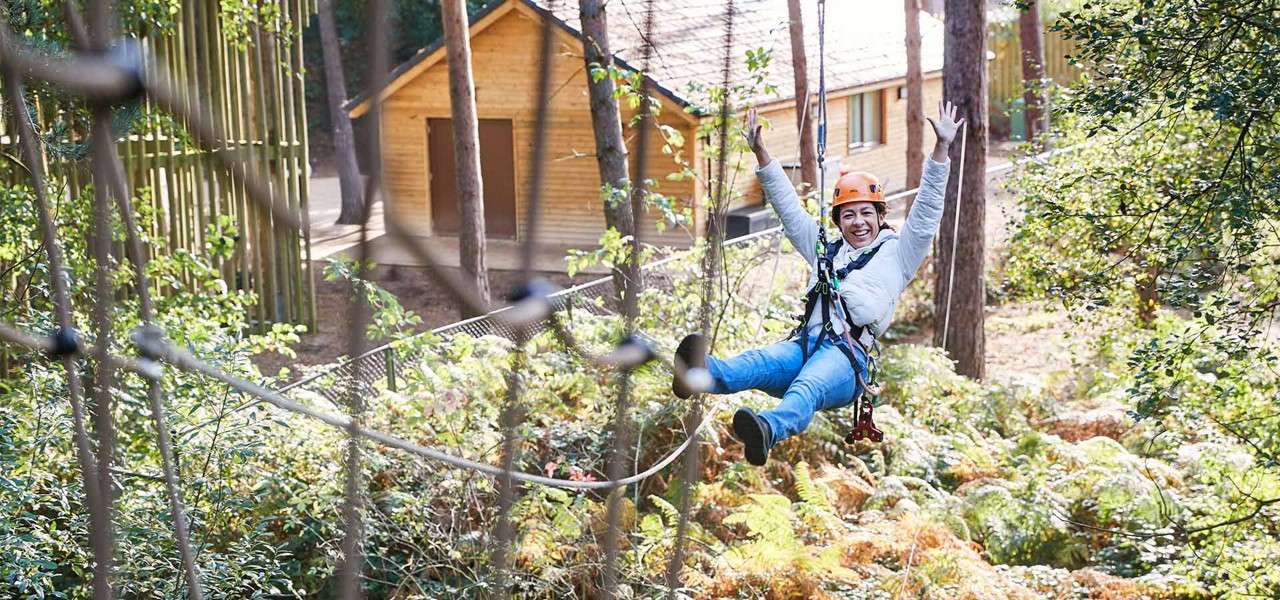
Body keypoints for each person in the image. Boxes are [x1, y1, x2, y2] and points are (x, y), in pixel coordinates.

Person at [672, 101, 963, 466]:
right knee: (757, 362)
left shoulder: (900, 254)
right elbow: (790, 211)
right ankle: (697, 375)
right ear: (839, 221)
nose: (858, 223)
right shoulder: (825, 249)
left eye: (866, 213)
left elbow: (926, 212)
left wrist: (942, 150)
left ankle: (767, 430)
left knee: (806, 388)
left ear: (880, 216)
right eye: (849, 215)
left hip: (846, 362)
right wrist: (761, 153)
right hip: (805, 345)